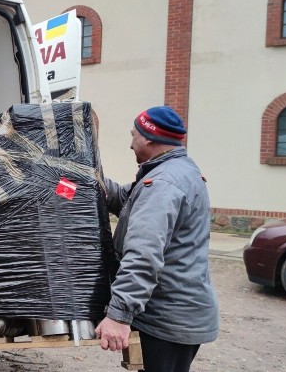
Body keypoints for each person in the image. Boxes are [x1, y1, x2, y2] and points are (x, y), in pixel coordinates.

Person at [95, 106, 219, 372]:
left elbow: (143, 255)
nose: (130, 144)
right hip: (176, 313)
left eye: (133, 135)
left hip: (168, 318)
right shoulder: (172, 172)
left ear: (148, 138)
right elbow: (126, 198)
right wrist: (81, 180)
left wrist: (118, 315)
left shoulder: (163, 184)